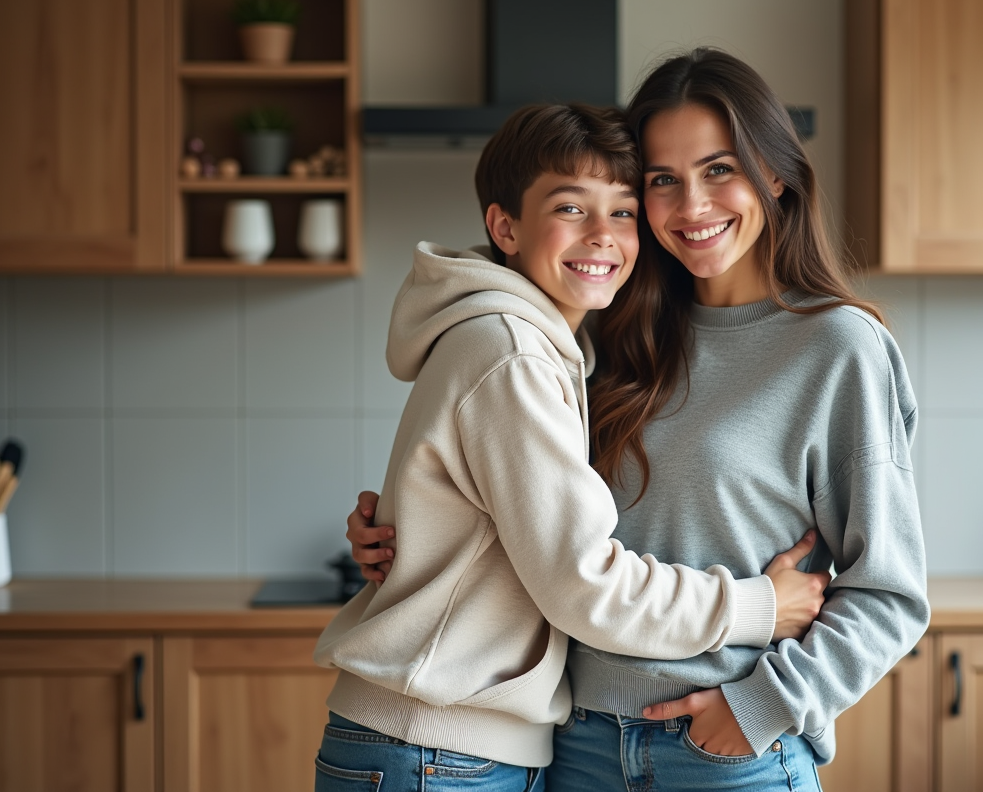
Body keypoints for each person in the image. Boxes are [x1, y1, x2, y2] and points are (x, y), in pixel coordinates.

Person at [347, 49, 930, 791]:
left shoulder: (837, 347)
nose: (692, 205)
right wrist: (410, 529)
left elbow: (890, 592)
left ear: (774, 174)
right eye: (662, 181)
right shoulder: (609, 332)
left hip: (724, 752)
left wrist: (760, 707)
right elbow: (541, 517)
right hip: (571, 747)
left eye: (720, 169)